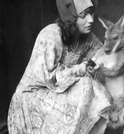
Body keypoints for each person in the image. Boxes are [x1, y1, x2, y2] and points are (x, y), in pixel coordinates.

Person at [7, 0, 111, 134]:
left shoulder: (87, 37)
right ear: (71, 17)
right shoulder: (51, 34)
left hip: (58, 90)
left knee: (93, 86)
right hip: (32, 95)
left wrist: (92, 64)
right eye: (84, 15)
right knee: (85, 84)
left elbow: (100, 52)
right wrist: (80, 69)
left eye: (91, 13)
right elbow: (49, 78)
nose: (90, 20)